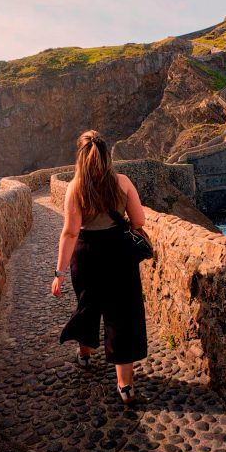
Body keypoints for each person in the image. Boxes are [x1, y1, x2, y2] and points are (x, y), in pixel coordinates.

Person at [51, 130, 148, 404]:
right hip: (119, 254)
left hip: (87, 255)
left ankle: (84, 354)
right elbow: (139, 221)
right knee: (123, 316)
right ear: (108, 156)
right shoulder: (123, 182)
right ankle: (125, 386)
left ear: (81, 157)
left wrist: (59, 273)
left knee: (88, 306)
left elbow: (70, 233)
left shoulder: (75, 187)